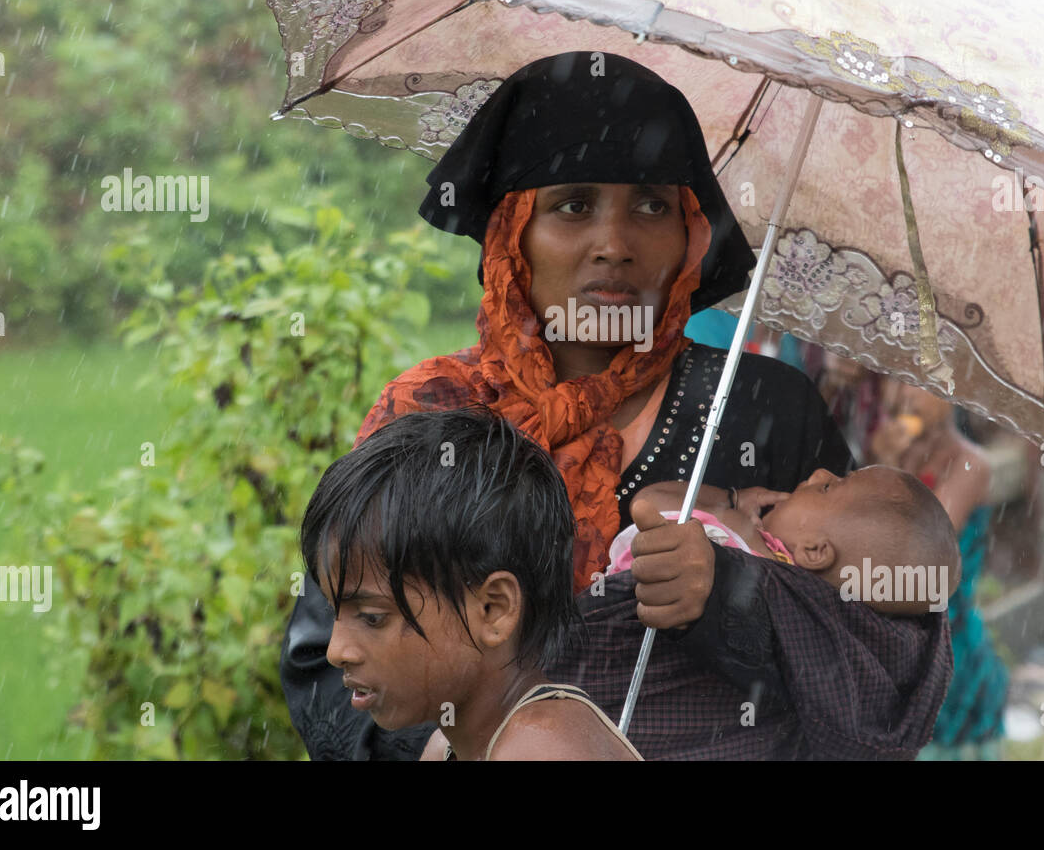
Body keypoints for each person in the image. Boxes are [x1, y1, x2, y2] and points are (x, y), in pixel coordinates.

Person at [280, 51, 949, 761]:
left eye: (653, 207)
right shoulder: (432, 415)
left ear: (690, 235)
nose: (616, 244)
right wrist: (467, 744)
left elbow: (888, 662)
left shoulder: (762, 408)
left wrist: (738, 598)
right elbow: (327, 664)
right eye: (573, 205)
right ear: (513, 235)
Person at [300, 406, 641, 761]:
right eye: (334, 612)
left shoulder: (541, 749)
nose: (336, 651)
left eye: (372, 617)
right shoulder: (445, 747)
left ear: (494, 609)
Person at [866, 377, 1006, 759]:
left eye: (919, 385)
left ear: (952, 394)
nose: (905, 395)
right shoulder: (892, 454)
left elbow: (922, 543)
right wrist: (883, 464)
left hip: (947, 635)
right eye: (896, 382)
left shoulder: (969, 464)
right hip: (896, 637)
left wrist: (889, 469)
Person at [612, 465, 961, 616]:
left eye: (828, 487)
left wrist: (729, 500)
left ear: (814, 551)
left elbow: (650, 500)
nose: (818, 473)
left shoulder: (739, 542)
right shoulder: (808, 616)